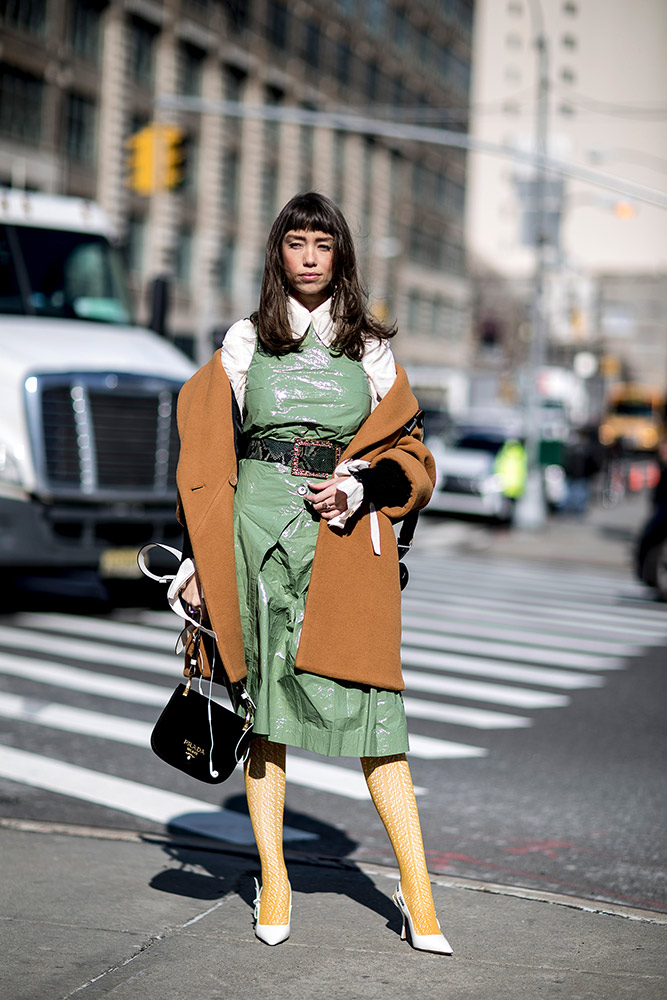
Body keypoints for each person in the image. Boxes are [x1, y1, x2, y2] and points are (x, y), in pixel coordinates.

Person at [176, 192, 450, 954]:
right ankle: (275, 876)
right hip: (256, 531)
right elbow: (203, 457)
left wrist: (363, 485)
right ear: (278, 254)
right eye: (294, 242)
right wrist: (200, 560)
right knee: (263, 713)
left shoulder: (367, 347)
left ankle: (418, 890)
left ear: (340, 258)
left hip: (341, 537)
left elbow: (412, 456)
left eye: (320, 245)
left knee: (375, 711)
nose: (306, 256)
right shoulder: (242, 342)